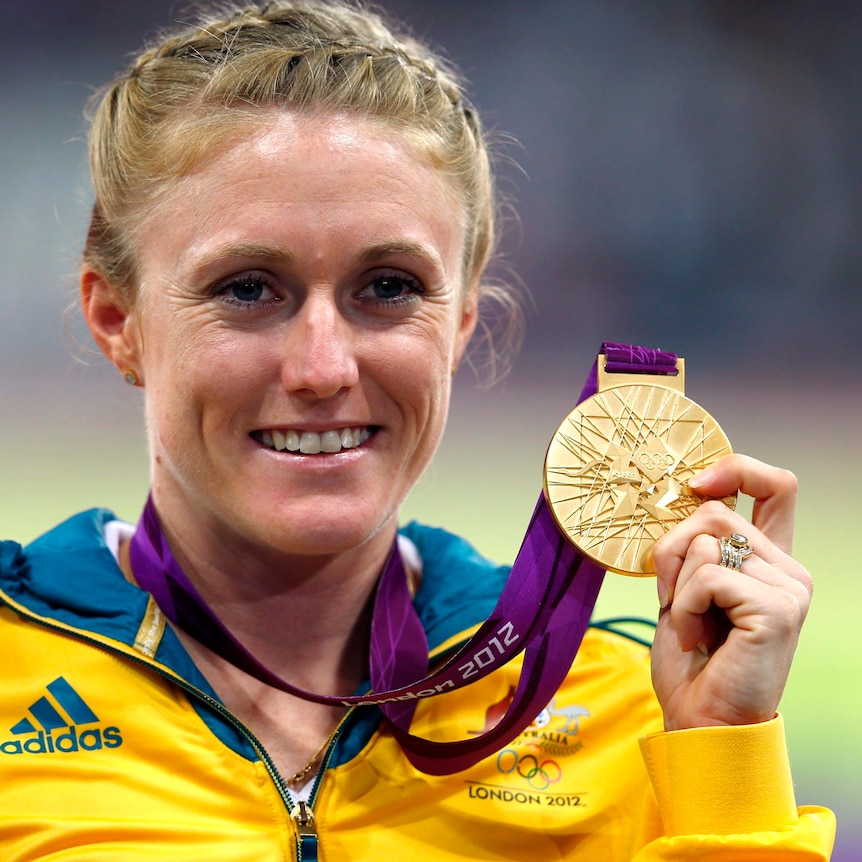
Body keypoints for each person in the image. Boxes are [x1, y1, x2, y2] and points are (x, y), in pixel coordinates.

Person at [0, 1, 835, 859]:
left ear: (462, 319)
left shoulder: (632, 710)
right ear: (116, 317)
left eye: (389, 287)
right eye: (247, 288)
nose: (322, 368)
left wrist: (725, 759)